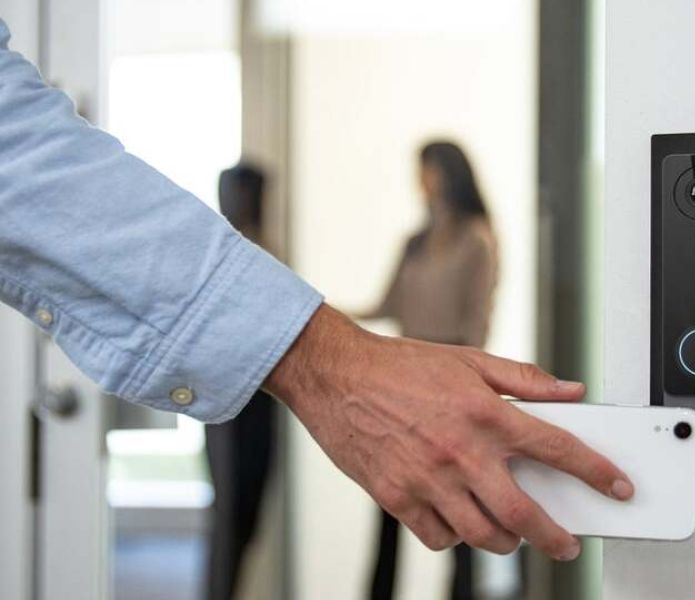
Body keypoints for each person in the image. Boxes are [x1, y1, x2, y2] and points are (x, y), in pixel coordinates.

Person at [0, 18, 634, 566]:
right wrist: (327, 349)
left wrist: (330, 348)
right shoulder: (418, 241)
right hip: (396, 367)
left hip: (441, 374)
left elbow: (18, 140)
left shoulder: (474, 237)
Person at [360, 142, 498, 600]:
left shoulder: (477, 239)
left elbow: (477, 324)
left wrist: (462, 390)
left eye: (427, 171)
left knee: (460, 513)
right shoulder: (413, 243)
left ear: (448, 174)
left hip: (449, 385)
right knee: (389, 504)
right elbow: (384, 305)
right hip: (398, 380)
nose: (420, 180)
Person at [205, 163, 276, 600]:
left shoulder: (262, 250)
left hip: (260, 402)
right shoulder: (224, 256)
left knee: (246, 517)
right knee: (231, 514)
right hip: (228, 401)